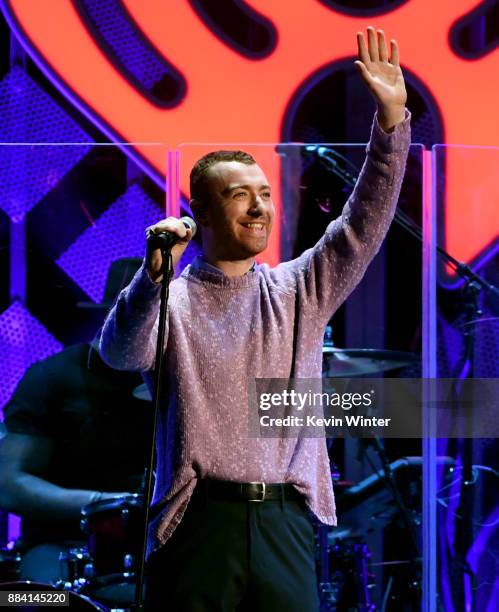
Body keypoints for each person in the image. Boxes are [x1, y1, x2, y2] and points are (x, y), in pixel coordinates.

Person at [99, 28, 411, 611]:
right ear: (203, 211)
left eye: (264, 193)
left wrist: (391, 124)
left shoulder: (297, 289)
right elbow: (118, 355)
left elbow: (363, 222)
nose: (258, 205)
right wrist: (153, 275)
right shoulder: (171, 297)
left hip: (284, 520)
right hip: (196, 521)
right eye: (239, 194)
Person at [0, 258, 151, 586]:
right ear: (109, 317)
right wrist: (108, 506)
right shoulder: (52, 378)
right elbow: (8, 484)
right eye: (138, 317)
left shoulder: (174, 381)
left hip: (156, 549)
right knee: (32, 600)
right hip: (63, 547)